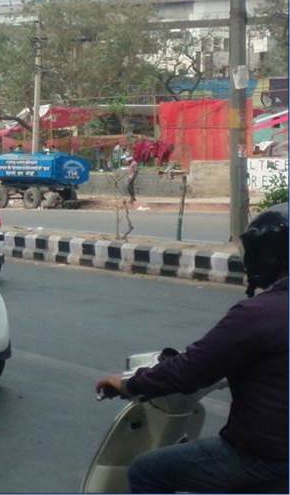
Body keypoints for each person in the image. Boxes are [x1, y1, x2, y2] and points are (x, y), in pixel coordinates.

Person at [96, 204, 289, 494]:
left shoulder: (258, 314)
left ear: (268, 255)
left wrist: (126, 384)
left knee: (147, 472)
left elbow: (189, 370)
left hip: (266, 459)